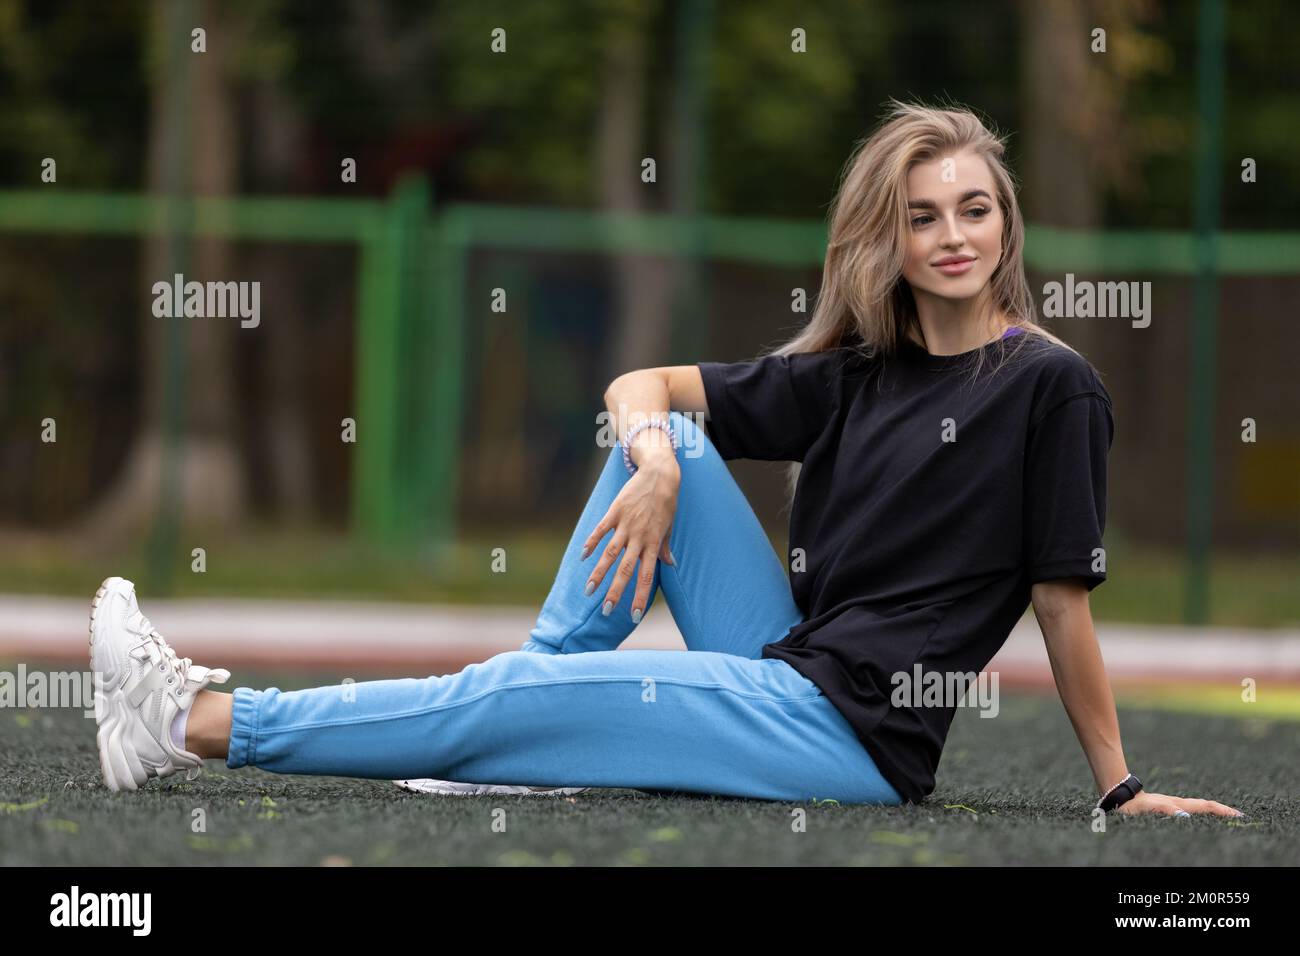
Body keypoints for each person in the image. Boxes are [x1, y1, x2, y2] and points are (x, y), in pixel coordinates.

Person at [89, 99, 1244, 819]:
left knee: (510, 695)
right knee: (675, 446)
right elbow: (642, 391)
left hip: (849, 732)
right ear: (888, 238)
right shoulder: (857, 371)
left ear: (1007, 226)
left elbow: (1057, 601)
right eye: (924, 215)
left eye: (973, 210)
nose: (952, 237)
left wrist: (1120, 785)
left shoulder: (1049, 385)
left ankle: (192, 720)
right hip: (789, 662)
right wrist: (650, 460)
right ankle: (498, 735)